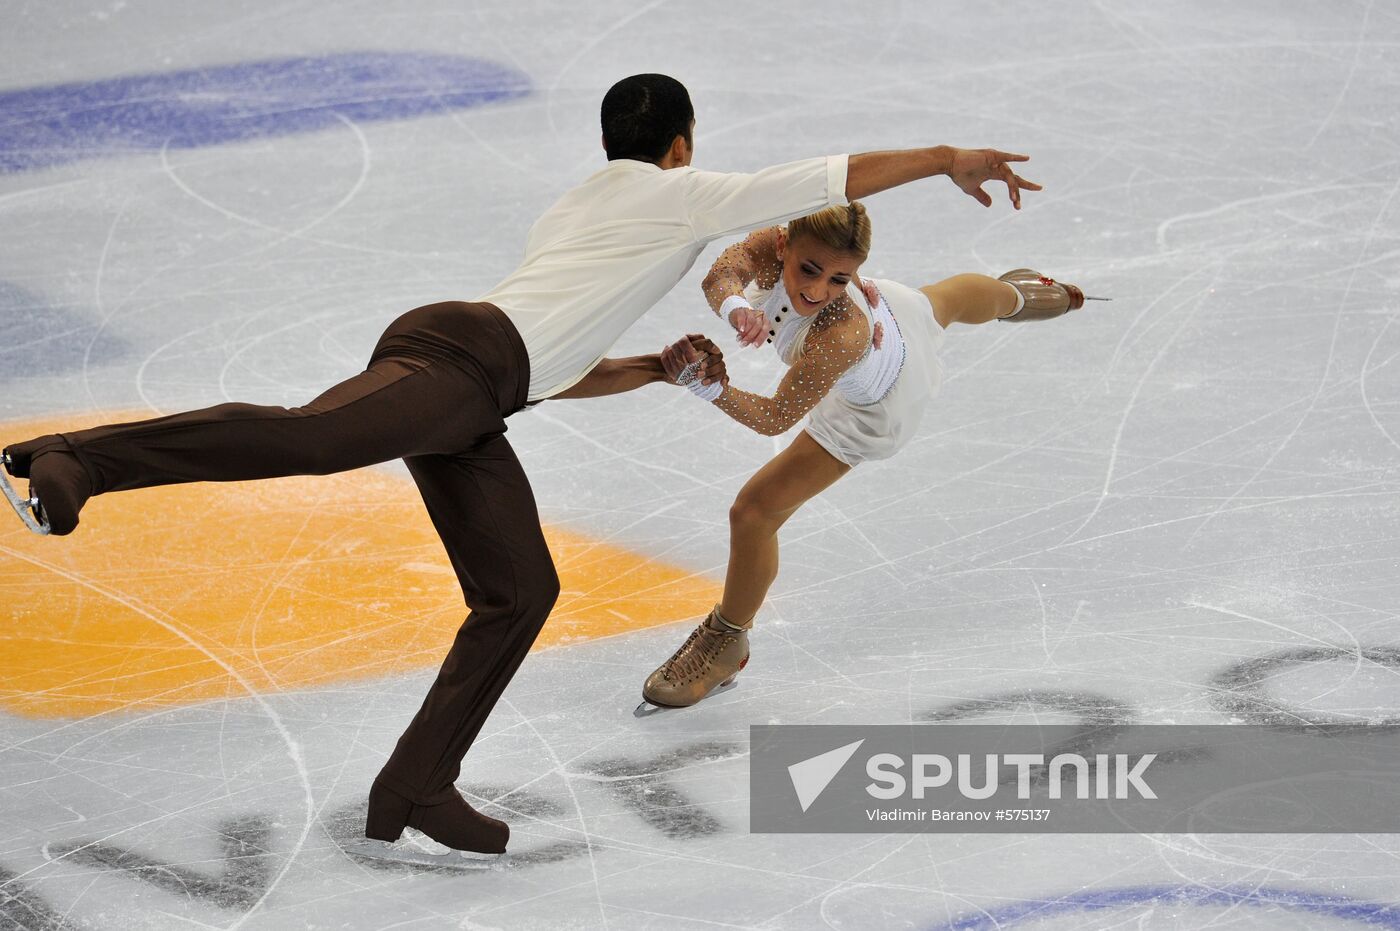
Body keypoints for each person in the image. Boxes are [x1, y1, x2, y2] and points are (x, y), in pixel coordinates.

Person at [1, 73, 1038, 858]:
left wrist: (647, 367)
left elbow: (549, 362)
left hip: (481, 391)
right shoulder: (675, 196)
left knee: (520, 590)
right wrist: (945, 153)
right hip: (458, 362)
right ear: (681, 146)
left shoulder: (584, 208)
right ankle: (73, 458)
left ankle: (413, 787)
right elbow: (831, 180)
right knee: (308, 437)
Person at [641, 201, 1094, 709]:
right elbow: (721, 274)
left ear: (855, 274)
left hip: (878, 405)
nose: (816, 291)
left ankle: (727, 641)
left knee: (753, 513)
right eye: (809, 270)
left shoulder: (842, 333)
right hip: (894, 315)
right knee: (945, 301)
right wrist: (736, 307)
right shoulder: (772, 245)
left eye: (839, 279)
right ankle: (1024, 295)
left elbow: (774, 418)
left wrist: (711, 389)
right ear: (785, 245)